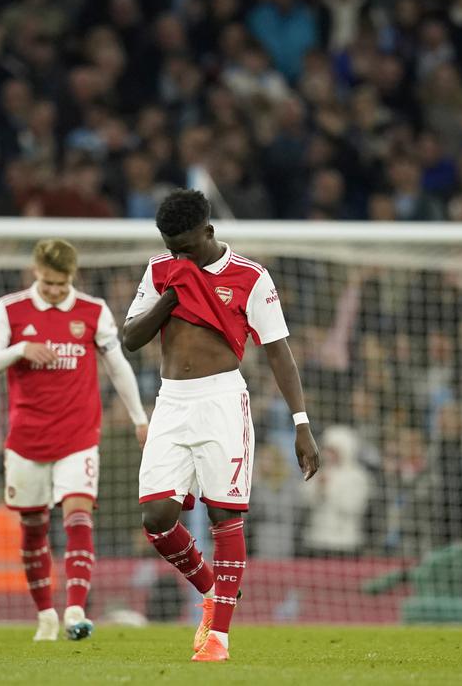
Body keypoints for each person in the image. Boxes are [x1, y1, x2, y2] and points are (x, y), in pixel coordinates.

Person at [123, 188, 320, 662]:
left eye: (186, 246)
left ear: (208, 232)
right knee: (156, 519)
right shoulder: (160, 271)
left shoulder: (250, 277)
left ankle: (219, 638)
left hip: (221, 401)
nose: (179, 254)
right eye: (171, 246)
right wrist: (172, 295)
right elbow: (131, 337)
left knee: (224, 516)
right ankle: (214, 591)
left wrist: (301, 422)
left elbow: (279, 352)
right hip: (171, 402)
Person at [0, 239, 148, 642]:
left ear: (74, 276)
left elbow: (118, 366)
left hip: (78, 435)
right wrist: (20, 350)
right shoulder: (11, 309)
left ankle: (74, 610)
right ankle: (46, 616)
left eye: (62, 283)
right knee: (34, 530)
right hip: (27, 439)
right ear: (36, 272)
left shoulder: (92, 310)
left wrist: (140, 419)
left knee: (79, 517)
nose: (54, 290)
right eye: (48, 282)